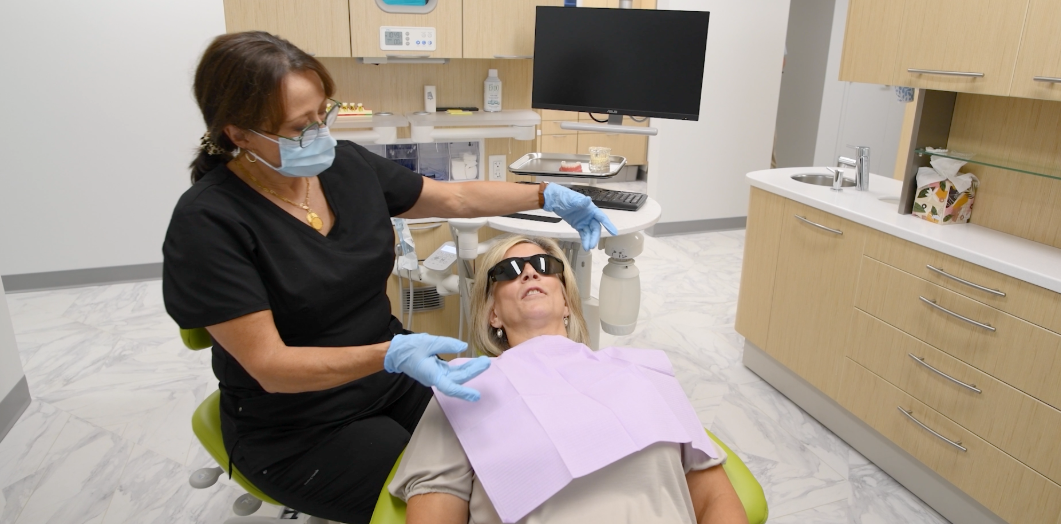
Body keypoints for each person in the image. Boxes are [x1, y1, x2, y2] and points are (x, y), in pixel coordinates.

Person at [161, 31, 618, 524]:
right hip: (298, 424)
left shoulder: (345, 167)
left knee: (509, 450)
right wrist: (390, 354)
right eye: (299, 127)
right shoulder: (208, 223)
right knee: (455, 499)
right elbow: (271, 367)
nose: (320, 133)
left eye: (323, 114)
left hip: (391, 380)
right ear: (239, 134)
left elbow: (455, 198)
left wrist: (546, 195)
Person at [389, 236, 748, 524]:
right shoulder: (463, 389)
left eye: (545, 266)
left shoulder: (643, 370)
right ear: (492, 314)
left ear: (566, 302)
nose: (530, 273)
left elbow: (714, 496)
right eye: (508, 270)